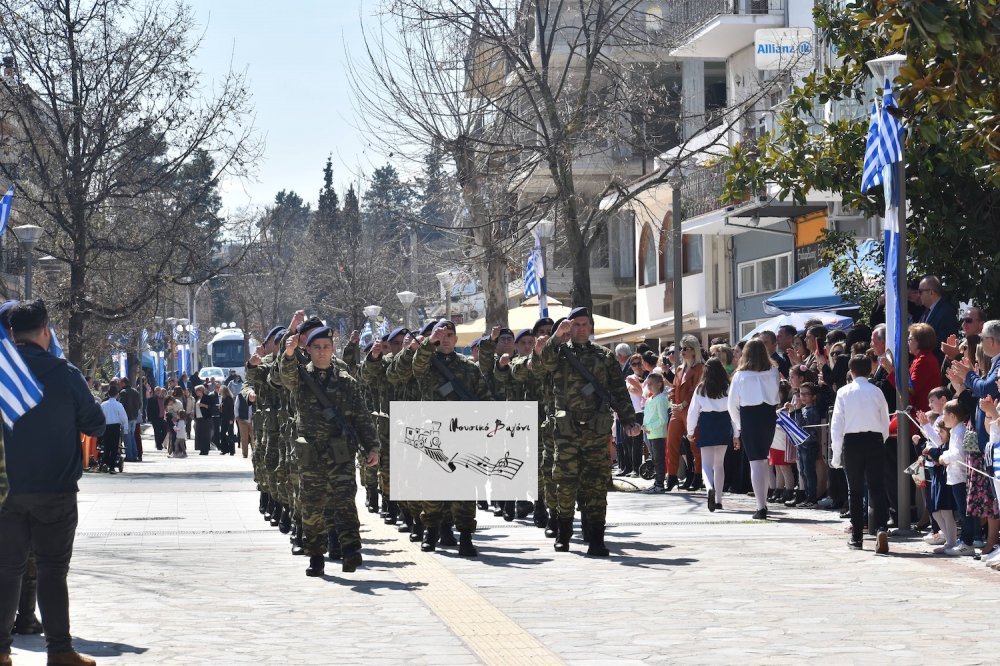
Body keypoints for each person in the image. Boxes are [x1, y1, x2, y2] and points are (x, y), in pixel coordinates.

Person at [0, 299, 106, 666]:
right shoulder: (66, 374)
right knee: (52, 571)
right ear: (46, 329)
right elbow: (95, 424)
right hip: (55, 492)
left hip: (6, 492)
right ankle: (59, 651)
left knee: (7, 570)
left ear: (11, 335)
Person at [535, 308, 639, 556]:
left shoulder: (604, 356)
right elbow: (543, 364)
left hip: (595, 430)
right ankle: (564, 534)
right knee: (565, 484)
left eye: (585, 324)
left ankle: (596, 537)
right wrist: (556, 336)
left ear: (591, 327)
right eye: (576, 324)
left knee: (595, 485)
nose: (581, 329)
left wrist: (628, 420)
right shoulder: (559, 353)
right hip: (566, 432)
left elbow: (618, 390)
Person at [278, 326, 380, 577]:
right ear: (309, 350)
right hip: (312, 455)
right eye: (317, 347)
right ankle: (315, 556)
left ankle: (351, 550)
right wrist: (289, 353)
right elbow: (285, 375)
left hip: (341, 453)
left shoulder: (347, 382)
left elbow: (362, 418)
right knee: (312, 506)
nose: (322, 352)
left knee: (345, 501)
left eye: (326, 347)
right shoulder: (302, 379)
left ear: (333, 350)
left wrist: (372, 447)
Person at [410, 320, 492, 557]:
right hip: (435, 435)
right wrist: (429, 342)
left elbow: (485, 399)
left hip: (463, 436)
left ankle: (465, 536)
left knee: (465, 490)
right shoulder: (427, 363)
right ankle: (431, 533)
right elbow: (417, 365)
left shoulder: (469, 369)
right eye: (441, 335)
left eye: (449, 335)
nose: (445, 339)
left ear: (457, 340)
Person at [830, 354, 891, 554]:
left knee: (854, 491)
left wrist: (836, 453)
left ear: (851, 371)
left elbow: (837, 424)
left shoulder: (843, 392)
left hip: (852, 441)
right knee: (877, 487)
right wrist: (881, 440)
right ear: (870, 370)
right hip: (874, 439)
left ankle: (857, 536)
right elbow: (884, 420)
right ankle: (881, 527)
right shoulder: (876, 391)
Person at [727, 339, 780, 521]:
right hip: (768, 416)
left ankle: (761, 506)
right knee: (763, 461)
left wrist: (739, 425)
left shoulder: (740, 376)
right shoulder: (773, 372)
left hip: (749, 417)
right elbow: (775, 396)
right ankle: (763, 503)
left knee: (756, 462)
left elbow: (731, 404)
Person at [686, 358, 732, 512]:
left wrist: (690, 431)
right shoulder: (727, 387)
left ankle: (709, 489)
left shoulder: (701, 388)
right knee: (719, 464)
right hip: (724, 423)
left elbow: (692, 412)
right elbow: (734, 410)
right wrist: (736, 432)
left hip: (707, 423)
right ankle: (718, 500)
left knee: (706, 464)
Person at [664, 334, 705, 491]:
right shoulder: (680, 368)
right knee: (672, 443)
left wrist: (683, 404)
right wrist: (673, 403)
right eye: (681, 348)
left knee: (695, 445)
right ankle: (672, 476)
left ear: (694, 350)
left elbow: (695, 389)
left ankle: (697, 476)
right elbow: (674, 387)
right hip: (678, 411)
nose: (681, 351)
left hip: (691, 411)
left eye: (685, 349)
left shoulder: (700, 368)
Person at [641, 372, 669, 493]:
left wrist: (650, 427)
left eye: (651, 384)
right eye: (648, 384)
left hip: (657, 434)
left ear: (659, 384)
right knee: (654, 459)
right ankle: (656, 482)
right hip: (649, 434)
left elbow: (663, 419)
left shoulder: (661, 399)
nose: (649, 386)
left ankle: (660, 484)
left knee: (659, 459)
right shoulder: (649, 400)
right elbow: (647, 416)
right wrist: (644, 426)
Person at [917, 275, 959, 350]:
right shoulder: (926, 312)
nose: (918, 295)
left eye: (920, 292)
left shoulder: (946, 312)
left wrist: (920, 342)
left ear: (931, 292)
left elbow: (945, 340)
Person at [100, 384, 128, 473]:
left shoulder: (103, 405)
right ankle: (112, 467)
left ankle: (105, 463)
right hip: (115, 427)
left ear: (108, 394)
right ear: (117, 394)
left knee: (106, 446)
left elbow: (99, 416)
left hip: (106, 427)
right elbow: (124, 417)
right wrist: (126, 429)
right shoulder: (119, 405)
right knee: (114, 447)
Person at [118, 378, 142, 463]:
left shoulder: (123, 392)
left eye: (120, 383)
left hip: (126, 418)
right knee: (132, 437)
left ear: (123, 383)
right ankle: (134, 455)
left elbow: (121, 406)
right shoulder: (135, 391)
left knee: (127, 437)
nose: (119, 385)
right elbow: (140, 404)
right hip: (134, 418)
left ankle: (129, 456)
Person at [235, 387, 255, 458]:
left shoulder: (256, 395)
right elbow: (236, 406)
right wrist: (237, 417)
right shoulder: (240, 395)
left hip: (253, 419)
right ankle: (245, 454)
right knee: (244, 437)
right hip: (242, 419)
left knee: (253, 437)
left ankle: (255, 452)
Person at [219, 386, 236, 455]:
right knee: (223, 434)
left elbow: (231, 410)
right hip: (224, 418)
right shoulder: (223, 398)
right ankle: (225, 449)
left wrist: (231, 419)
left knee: (230, 434)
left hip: (228, 419)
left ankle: (231, 450)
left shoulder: (229, 399)